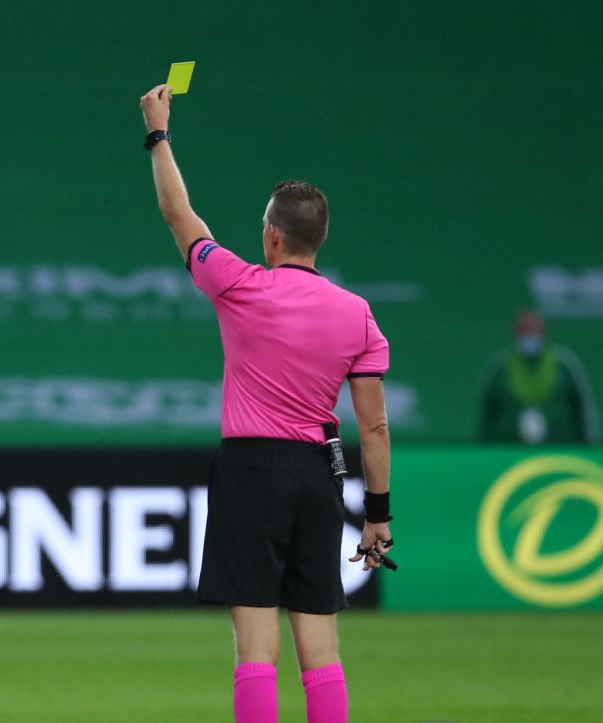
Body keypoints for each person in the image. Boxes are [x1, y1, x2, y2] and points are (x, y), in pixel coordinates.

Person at [140, 85, 394, 723]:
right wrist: (377, 515)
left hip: (251, 472)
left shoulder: (240, 285)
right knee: (321, 647)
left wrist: (158, 134)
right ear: (319, 238)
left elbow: (177, 213)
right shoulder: (357, 314)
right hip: (318, 476)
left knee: (256, 646)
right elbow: (374, 426)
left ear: (272, 236)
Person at [479, 309, 598, 444]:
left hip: (560, 448)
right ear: (515, 333)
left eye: (534, 331)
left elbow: (582, 412)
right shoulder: (500, 369)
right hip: (510, 449)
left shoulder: (564, 365)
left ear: (544, 332)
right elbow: (488, 418)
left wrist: (589, 445)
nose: (529, 336)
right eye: (524, 331)